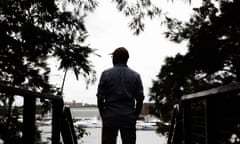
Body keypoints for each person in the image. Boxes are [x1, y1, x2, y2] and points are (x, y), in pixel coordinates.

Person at [96, 47, 145, 144]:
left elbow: (100, 98)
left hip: (110, 117)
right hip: (128, 118)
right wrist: (134, 116)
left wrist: (104, 115)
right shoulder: (135, 76)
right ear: (127, 59)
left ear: (114, 58)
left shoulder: (105, 74)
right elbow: (140, 99)